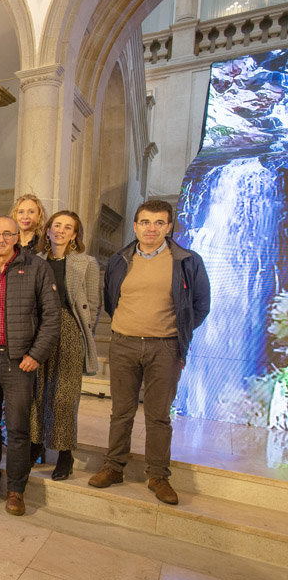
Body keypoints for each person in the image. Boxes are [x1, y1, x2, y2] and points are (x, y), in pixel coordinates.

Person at [90, 200, 210, 505]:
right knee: (121, 411)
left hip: (165, 347)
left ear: (169, 227)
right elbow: (111, 300)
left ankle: (158, 475)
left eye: (159, 223)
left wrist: (176, 331)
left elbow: (200, 305)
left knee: (158, 415)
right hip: (124, 344)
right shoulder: (120, 260)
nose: (151, 228)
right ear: (135, 226)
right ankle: (114, 466)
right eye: (145, 222)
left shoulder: (187, 261)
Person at [0, 217, 60, 516]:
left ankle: (16, 489)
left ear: (16, 237)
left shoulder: (36, 267)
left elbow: (52, 316)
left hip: (18, 359)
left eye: (7, 233)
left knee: (18, 427)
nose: (0, 239)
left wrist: (36, 354)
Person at [30, 211, 100, 480]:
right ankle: (35, 444)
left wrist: (83, 333)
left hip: (70, 330)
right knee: (36, 391)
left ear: (74, 235)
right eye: (56, 225)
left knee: (64, 396)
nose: (60, 230)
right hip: (38, 331)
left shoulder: (86, 263)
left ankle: (64, 454)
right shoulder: (35, 261)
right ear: (47, 230)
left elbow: (93, 305)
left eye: (67, 227)